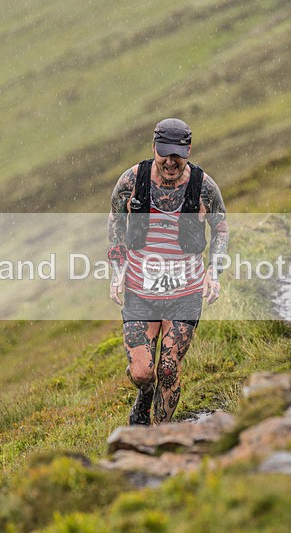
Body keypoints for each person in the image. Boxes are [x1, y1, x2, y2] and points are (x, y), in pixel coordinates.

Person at [107, 118, 229, 426]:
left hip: (184, 292)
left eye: (177, 153)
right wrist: (117, 268)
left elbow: (221, 228)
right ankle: (144, 394)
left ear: (188, 150)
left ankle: (160, 437)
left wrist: (214, 271)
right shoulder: (132, 181)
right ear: (154, 148)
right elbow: (115, 222)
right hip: (140, 290)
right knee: (142, 372)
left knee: (169, 369)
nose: (170, 161)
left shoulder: (204, 187)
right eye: (164, 153)